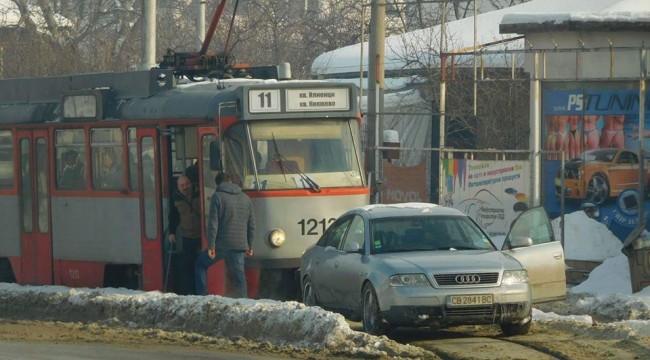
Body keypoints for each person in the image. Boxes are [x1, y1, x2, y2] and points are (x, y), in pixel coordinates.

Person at [195, 172, 255, 298]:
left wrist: (211, 246)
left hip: (222, 245)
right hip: (240, 245)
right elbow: (251, 225)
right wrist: (250, 245)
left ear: (217, 183)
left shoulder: (217, 196)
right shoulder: (245, 198)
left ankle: (202, 295)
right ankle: (244, 301)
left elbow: (213, 223)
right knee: (239, 276)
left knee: (200, 264)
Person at [169, 175, 202, 295]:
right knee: (188, 265)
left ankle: (201, 290)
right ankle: (191, 291)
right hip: (187, 236)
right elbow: (173, 216)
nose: (185, 187)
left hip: (201, 235)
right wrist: (172, 232)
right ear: (178, 187)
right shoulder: (175, 198)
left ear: (191, 184)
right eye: (182, 185)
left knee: (201, 263)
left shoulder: (200, 193)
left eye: (186, 184)